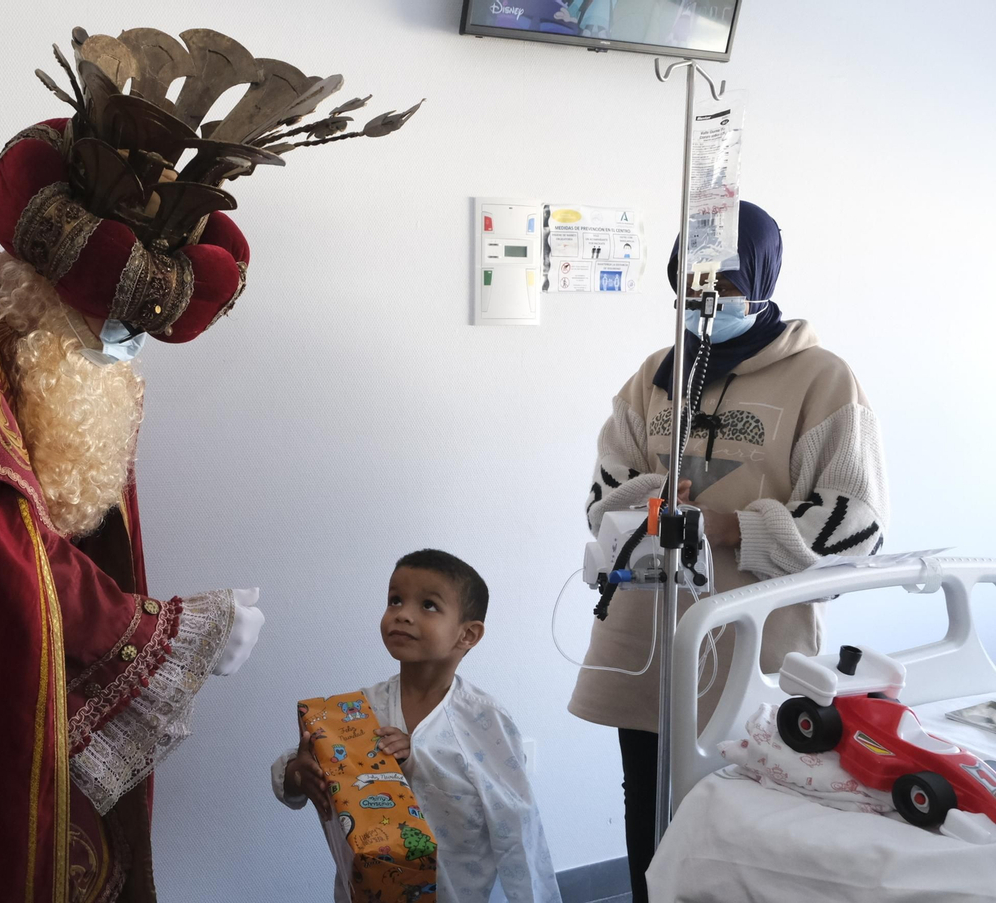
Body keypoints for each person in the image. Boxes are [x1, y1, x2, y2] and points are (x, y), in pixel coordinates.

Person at [0, 25, 420, 903]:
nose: (122, 349)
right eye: (113, 326)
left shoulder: (39, 346)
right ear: (53, 290)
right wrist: (169, 630)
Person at [569, 201, 889, 901]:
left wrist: (733, 526)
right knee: (649, 809)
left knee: (745, 824)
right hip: (647, 636)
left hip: (752, 641)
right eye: (691, 280)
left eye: (724, 281)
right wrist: (657, 497)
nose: (705, 297)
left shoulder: (821, 379)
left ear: (763, 277)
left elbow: (854, 525)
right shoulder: (656, 374)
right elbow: (602, 497)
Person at [272, 550, 561, 901]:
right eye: (395, 600)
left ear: (468, 634)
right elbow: (295, 768)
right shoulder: (358, 710)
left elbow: (517, 828)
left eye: (428, 605)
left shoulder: (485, 721)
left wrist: (418, 756)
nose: (403, 614)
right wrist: (298, 774)